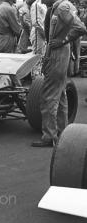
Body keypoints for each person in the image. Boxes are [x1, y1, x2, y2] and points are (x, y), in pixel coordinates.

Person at [32, 0, 87, 147]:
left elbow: (81, 28)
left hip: (58, 54)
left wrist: (63, 40)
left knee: (48, 95)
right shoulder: (59, 7)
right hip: (57, 53)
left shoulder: (62, 7)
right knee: (60, 95)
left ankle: (49, 136)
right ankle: (63, 133)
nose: (41, 1)